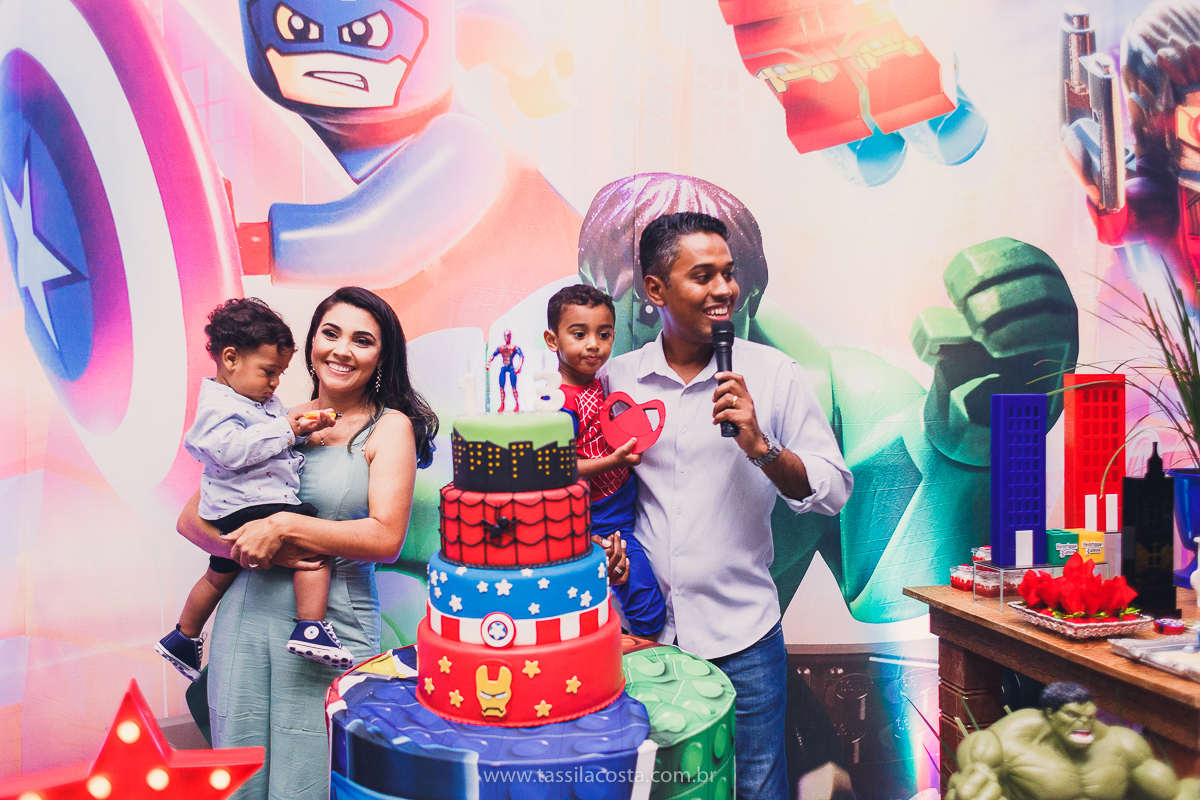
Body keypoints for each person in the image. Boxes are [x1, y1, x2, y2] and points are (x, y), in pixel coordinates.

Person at [599, 212, 853, 799]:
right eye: (703, 275)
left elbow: (833, 490)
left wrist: (761, 447)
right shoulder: (617, 383)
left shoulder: (773, 374)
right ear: (655, 290)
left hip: (743, 642)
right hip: (641, 642)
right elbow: (599, 498)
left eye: (729, 274)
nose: (723, 290)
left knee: (755, 792)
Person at [176, 287, 438, 800]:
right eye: (331, 333)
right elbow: (192, 519)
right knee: (244, 772)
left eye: (363, 340)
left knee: (315, 774)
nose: (342, 349)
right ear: (312, 343)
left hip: (329, 628)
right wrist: (253, 548)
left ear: (381, 357)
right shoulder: (274, 419)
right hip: (246, 621)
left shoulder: (390, 428)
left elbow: (386, 538)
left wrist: (286, 529)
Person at [157, 298, 349, 682]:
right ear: (230, 359)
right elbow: (230, 451)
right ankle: (310, 626)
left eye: (280, 372)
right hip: (250, 504)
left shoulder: (254, 401)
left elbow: (265, 445)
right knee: (316, 544)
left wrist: (300, 437)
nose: (276, 382)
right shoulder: (217, 406)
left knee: (217, 574)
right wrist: (288, 429)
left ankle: (182, 636)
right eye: (269, 371)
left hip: (242, 503)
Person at [544, 284, 667, 637]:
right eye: (579, 334)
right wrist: (614, 462)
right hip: (598, 520)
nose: (594, 344)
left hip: (622, 511)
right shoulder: (560, 402)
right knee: (646, 612)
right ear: (553, 340)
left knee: (643, 607)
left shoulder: (598, 383)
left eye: (604, 334)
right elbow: (555, 470)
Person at [947, 682, 1200, 800]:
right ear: (1049, 715)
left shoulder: (1121, 747)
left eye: (1089, 716)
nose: (1083, 724)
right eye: (1072, 715)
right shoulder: (1005, 742)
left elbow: (1176, 794)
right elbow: (970, 787)